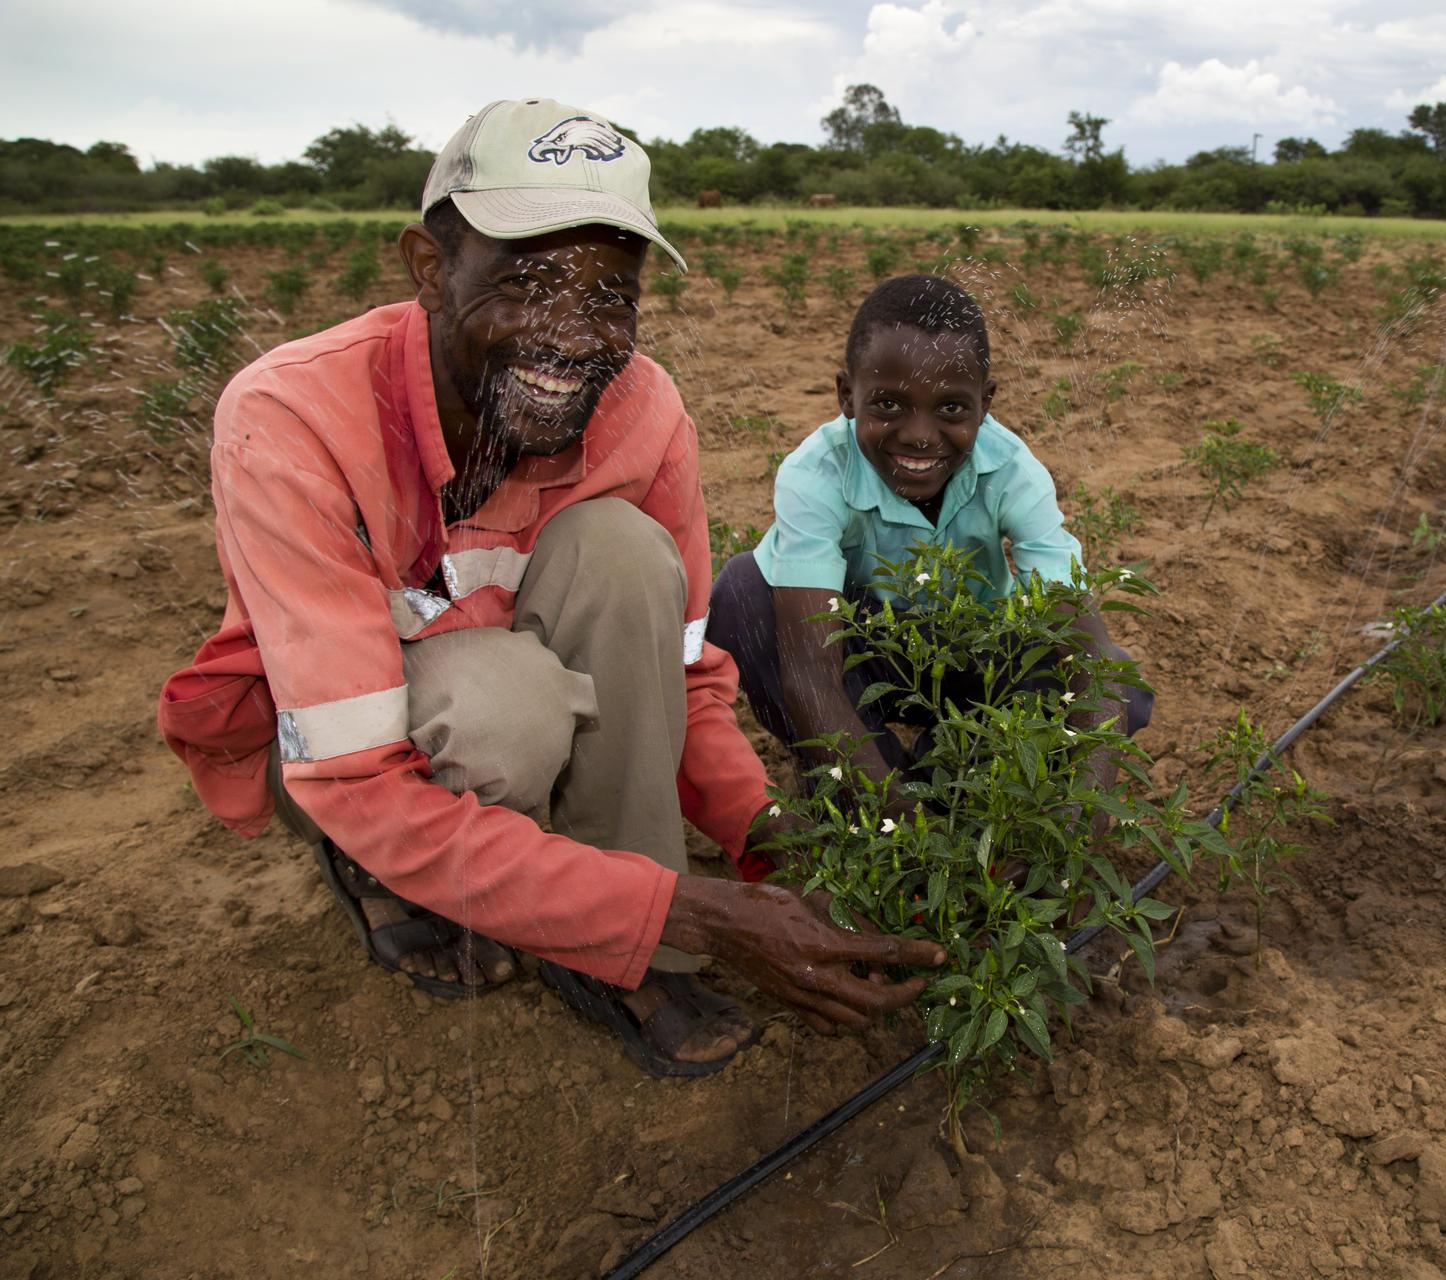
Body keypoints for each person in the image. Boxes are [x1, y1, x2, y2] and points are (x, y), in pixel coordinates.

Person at [156, 98, 941, 1078]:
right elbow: (360, 770)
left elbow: (686, 681)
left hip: (498, 679)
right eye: (527, 280)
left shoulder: (643, 411)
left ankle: (613, 943)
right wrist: (677, 902)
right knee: (502, 712)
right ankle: (387, 872)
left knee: (623, 553)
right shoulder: (292, 416)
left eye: (611, 295)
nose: (573, 335)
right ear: (430, 269)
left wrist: (769, 847)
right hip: (345, 739)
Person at [707, 274, 1152, 788]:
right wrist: (888, 804)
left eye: (950, 408)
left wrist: (1084, 802)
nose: (919, 436)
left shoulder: (1010, 471)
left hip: (976, 655)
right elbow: (810, 668)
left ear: (985, 403)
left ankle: (957, 776)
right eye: (889, 405)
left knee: (1113, 683)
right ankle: (857, 777)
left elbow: (1086, 649)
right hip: (863, 652)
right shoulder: (817, 473)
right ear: (847, 395)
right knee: (745, 594)